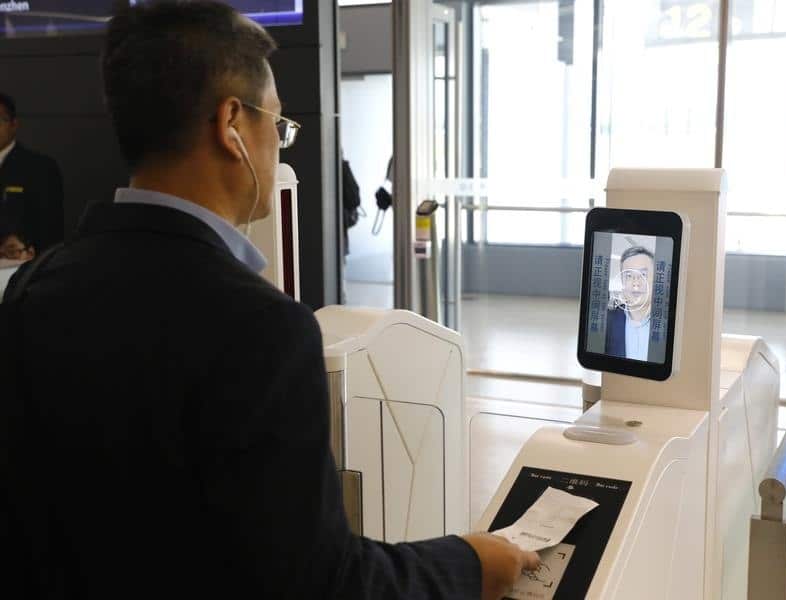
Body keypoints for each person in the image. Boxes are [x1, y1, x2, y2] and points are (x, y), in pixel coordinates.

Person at [3, 2, 538, 599]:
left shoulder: (35, 287)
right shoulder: (260, 329)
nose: (279, 145)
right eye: (277, 124)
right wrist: (470, 565)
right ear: (232, 124)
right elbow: (319, 584)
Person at [0, 92, 64, 254]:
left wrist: (24, 245)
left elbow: (51, 230)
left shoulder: (40, 168)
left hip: (22, 265)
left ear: (14, 124)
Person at [606, 246, 655, 361]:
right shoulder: (606, 322)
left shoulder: (671, 324)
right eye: (629, 276)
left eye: (643, 274)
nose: (636, 283)